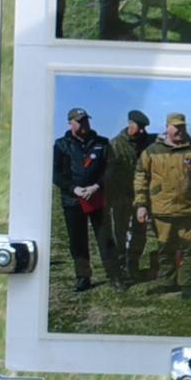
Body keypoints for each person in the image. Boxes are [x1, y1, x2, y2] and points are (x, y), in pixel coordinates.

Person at [133, 110, 191, 296]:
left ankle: (187, 284)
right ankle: (166, 282)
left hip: (189, 210)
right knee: (164, 249)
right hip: (161, 210)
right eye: (176, 127)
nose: (180, 131)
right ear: (167, 127)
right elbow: (140, 177)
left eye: (182, 127)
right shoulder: (152, 151)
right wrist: (141, 205)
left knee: (189, 249)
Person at [52, 106, 120, 292]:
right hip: (73, 201)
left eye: (86, 120)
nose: (84, 124)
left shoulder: (102, 143)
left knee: (105, 238)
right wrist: (74, 189)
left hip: (98, 198)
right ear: (70, 123)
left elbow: (111, 169)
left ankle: (114, 275)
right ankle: (83, 277)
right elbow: (56, 174)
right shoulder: (61, 145)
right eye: (79, 121)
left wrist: (96, 186)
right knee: (78, 241)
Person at [104, 107, 150, 281]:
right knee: (120, 233)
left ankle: (134, 265)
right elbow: (109, 174)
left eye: (144, 128)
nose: (142, 131)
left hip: (141, 197)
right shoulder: (115, 144)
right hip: (120, 196)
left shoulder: (147, 142)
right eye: (139, 127)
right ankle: (121, 266)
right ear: (130, 124)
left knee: (140, 232)